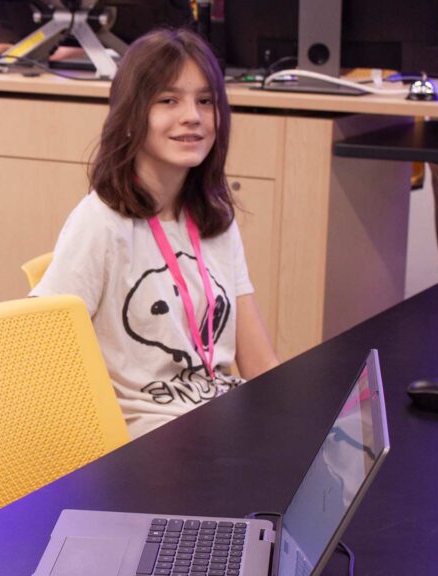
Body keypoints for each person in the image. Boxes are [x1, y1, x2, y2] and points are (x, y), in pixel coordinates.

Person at [31, 28, 279, 439]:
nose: (192, 117)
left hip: (222, 424)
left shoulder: (216, 219)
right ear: (131, 116)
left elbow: (258, 364)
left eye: (205, 101)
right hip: (150, 440)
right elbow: (44, 356)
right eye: (168, 100)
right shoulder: (101, 223)